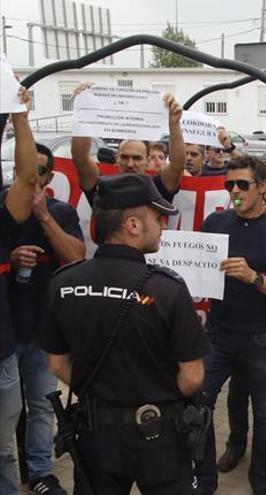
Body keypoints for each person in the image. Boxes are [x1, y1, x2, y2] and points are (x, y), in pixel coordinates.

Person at [39, 174, 207, 494]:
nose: (162, 225)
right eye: (157, 218)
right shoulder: (166, 289)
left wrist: (107, 395)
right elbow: (193, 377)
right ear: (132, 225)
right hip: (158, 436)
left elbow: (57, 365)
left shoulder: (62, 283)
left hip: (94, 438)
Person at [197, 156, 266, 495]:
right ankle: (205, 480)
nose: (235, 191)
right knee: (199, 403)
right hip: (219, 332)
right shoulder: (215, 223)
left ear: (262, 187)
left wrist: (255, 278)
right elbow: (196, 270)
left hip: (262, 334)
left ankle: (261, 483)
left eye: (243, 184)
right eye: (230, 184)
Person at [7, 143, 85, 495]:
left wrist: (43, 216)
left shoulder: (60, 211)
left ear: (49, 177)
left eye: (38, 170)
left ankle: (40, 472)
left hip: (42, 329)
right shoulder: (4, 208)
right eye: (25, 168)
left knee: (40, 406)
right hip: (6, 330)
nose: (30, 176)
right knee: (7, 413)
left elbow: (76, 256)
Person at [1, 89, 40, 495]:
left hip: (1, 356)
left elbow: (28, 177)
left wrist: (19, 116)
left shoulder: (2, 215)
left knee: (4, 453)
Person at [71, 84, 185, 205]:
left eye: (137, 158)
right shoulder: (102, 188)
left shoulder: (157, 188)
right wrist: (83, 110)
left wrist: (174, 123)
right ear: (116, 159)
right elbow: (81, 160)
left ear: (147, 161)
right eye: (124, 157)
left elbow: (177, 166)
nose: (130, 164)